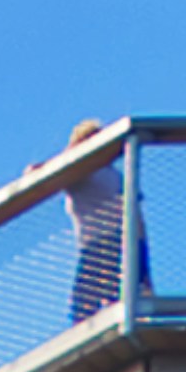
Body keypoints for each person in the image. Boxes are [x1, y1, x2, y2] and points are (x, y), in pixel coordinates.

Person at [57, 119, 142, 324]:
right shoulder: (100, 173)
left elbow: (137, 215)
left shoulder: (96, 174)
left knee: (85, 309)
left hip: (105, 243)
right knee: (110, 301)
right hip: (115, 243)